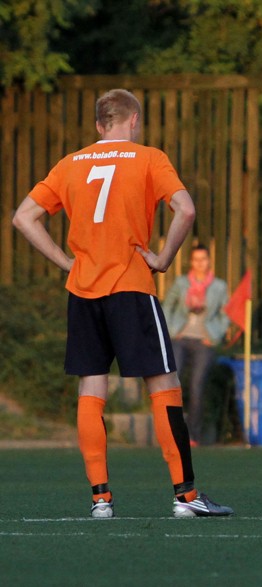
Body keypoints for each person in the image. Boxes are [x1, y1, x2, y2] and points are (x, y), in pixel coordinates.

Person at [12, 89, 233, 519]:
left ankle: (100, 499)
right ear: (134, 120)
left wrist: (65, 262)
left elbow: (23, 217)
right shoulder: (149, 157)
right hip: (131, 286)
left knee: (91, 388)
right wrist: (164, 259)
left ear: (99, 125)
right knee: (164, 384)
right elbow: (185, 210)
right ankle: (186, 496)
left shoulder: (70, 163)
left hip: (83, 291)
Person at [162, 244, 230, 446]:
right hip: (181, 337)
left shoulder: (219, 286)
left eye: (203, 259)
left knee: (197, 384)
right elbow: (167, 305)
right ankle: (170, 430)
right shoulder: (181, 283)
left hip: (204, 340)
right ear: (191, 262)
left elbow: (226, 314)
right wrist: (172, 330)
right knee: (173, 379)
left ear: (209, 261)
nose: (200, 263)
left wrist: (215, 336)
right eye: (196, 259)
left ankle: (193, 434)